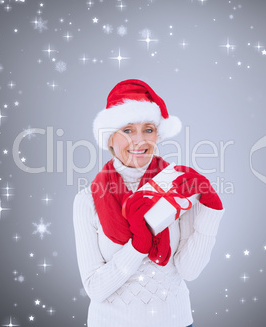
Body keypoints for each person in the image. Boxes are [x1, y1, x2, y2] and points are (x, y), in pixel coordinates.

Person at [73, 79, 225, 327]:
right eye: (127, 130)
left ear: (158, 135)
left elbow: (189, 270)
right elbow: (95, 288)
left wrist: (211, 210)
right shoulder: (87, 200)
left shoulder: (177, 186)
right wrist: (138, 246)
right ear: (109, 138)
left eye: (148, 129)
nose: (139, 141)